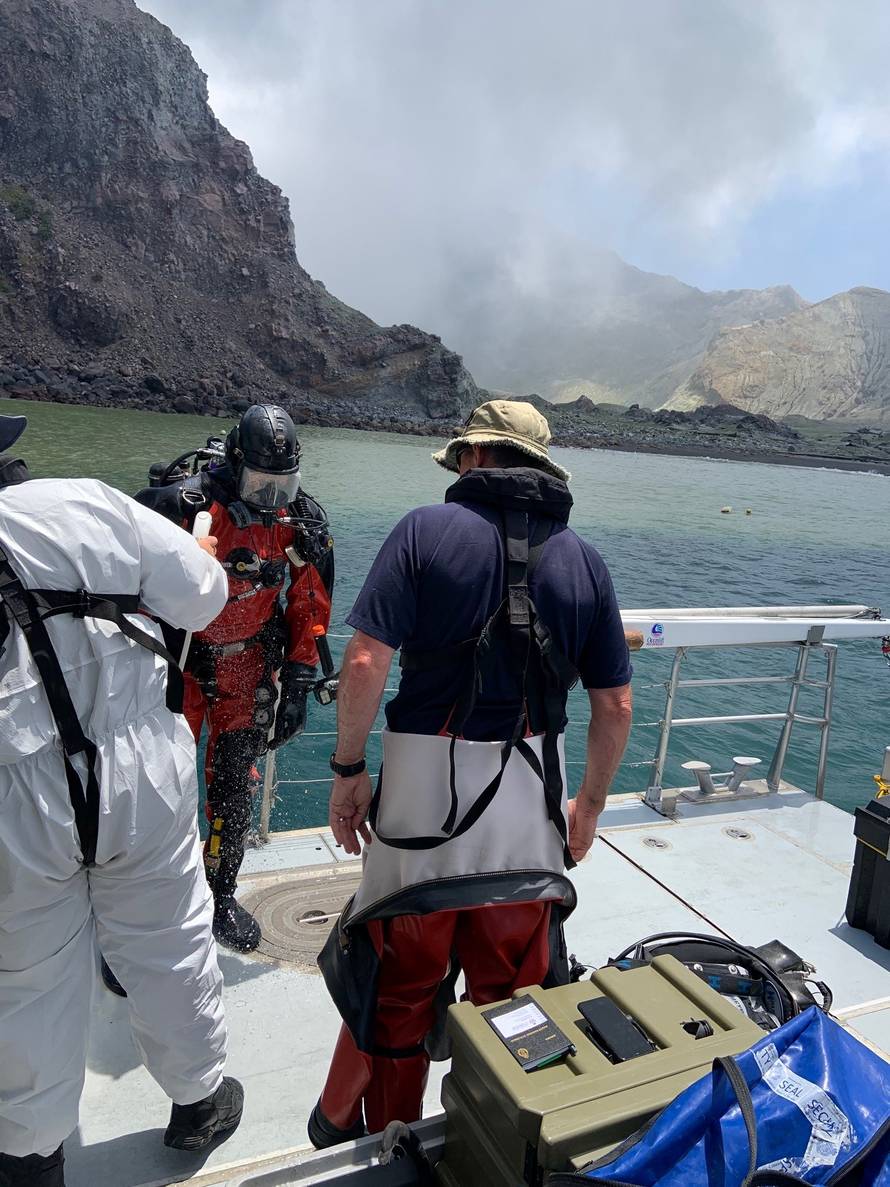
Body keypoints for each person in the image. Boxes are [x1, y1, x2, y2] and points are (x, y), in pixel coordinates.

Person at [310, 399, 633, 1147]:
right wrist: (588, 805)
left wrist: (349, 767)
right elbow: (612, 704)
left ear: (478, 457)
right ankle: (496, 1139)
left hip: (422, 815)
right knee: (513, 992)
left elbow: (364, 660)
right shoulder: (583, 559)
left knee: (400, 990)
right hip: (528, 820)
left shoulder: (425, 531)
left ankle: (393, 1136)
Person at [0, 415, 243, 1187]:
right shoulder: (90, 503)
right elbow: (205, 600)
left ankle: (32, 1158)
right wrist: (198, 553)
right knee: (168, 938)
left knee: (26, 977)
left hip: (14, 791)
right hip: (141, 767)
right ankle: (199, 1102)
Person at [135, 404, 334, 952]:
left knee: (231, 792)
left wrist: (297, 684)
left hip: (246, 670)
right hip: (177, 670)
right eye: (260, 484)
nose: (271, 497)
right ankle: (144, 912)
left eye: (282, 484)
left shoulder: (301, 522)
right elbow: (128, 589)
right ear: (234, 465)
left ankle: (220, 894)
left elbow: (308, 603)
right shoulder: (184, 507)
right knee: (154, 791)